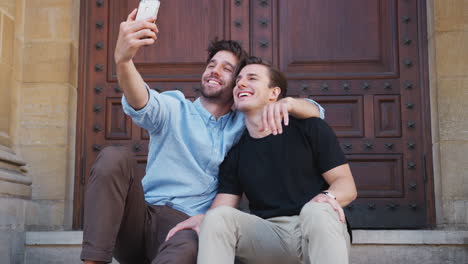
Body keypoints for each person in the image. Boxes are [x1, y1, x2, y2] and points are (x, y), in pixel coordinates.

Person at [80, 10, 325, 264]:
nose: (214, 71)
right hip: (141, 217)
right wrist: (123, 61)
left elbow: (317, 112)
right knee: (114, 156)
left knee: (188, 247)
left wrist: (287, 105)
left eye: (226, 69)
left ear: (238, 84)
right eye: (211, 65)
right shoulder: (175, 107)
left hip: (188, 228)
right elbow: (140, 99)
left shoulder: (245, 124)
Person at [167, 57, 357, 264]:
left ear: (273, 93)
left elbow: (346, 185)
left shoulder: (309, 128)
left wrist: (327, 198)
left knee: (317, 210)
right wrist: (203, 219)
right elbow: (223, 207)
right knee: (218, 217)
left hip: (317, 229)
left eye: (252, 78)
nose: (241, 83)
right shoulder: (236, 153)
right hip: (272, 237)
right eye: (238, 80)